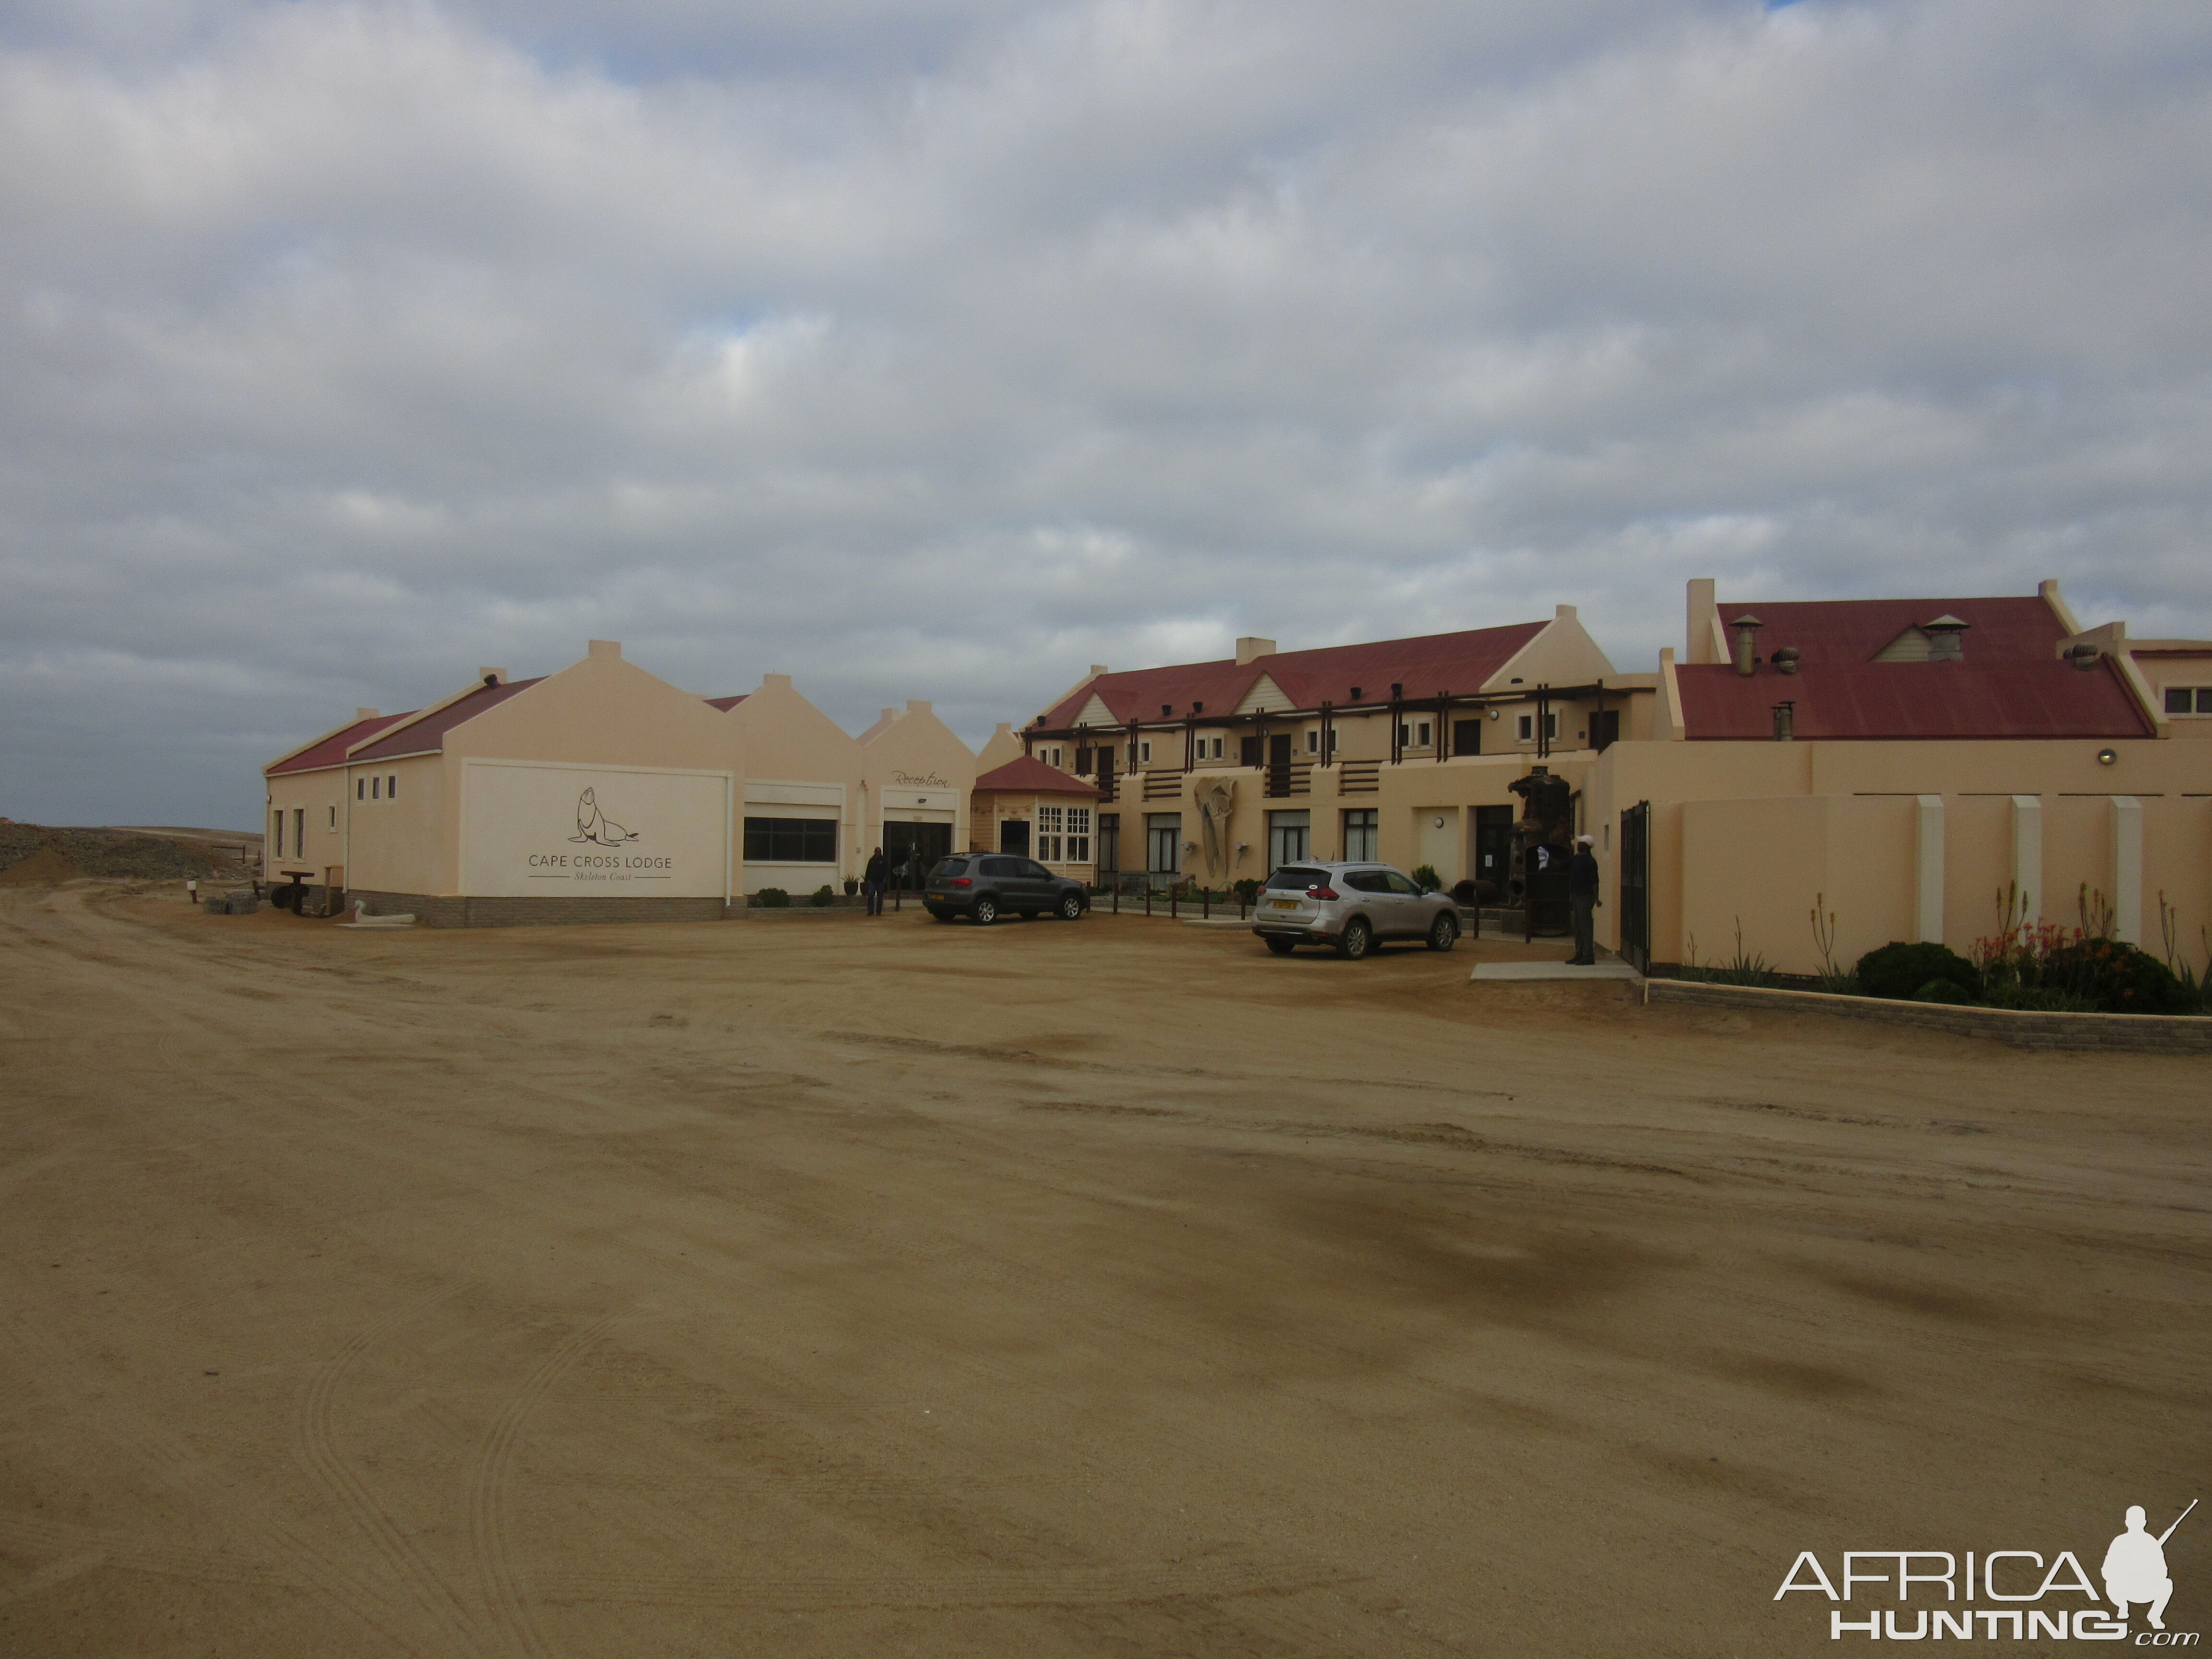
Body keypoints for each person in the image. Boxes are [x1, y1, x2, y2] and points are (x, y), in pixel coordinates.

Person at [2104, 1505, 2177, 1630]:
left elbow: (2163, 1572)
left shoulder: (2151, 1542)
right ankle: (2122, 1606)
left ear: (2127, 1523)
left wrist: (2145, 1571)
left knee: (2167, 1584)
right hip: (2124, 1590)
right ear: (2144, 1522)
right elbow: (2106, 1571)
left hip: (2145, 1590)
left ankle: (2154, 1616)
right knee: (2111, 1583)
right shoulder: (2120, 1541)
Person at [1566, 834, 1600, 964]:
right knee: (1578, 926)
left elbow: (1595, 882)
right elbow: (1562, 865)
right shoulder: (1576, 859)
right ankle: (1580, 953)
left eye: (1581, 843)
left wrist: (1596, 898)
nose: (1578, 845)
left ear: (1586, 846)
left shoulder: (1590, 862)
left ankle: (1588, 955)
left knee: (1585, 927)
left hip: (1586, 896)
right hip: (1577, 896)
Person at [864, 846, 889, 916]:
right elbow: (868, 870)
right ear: (875, 852)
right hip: (872, 881)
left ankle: (879, 911)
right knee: (871, 895)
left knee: (880, 897)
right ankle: (870, 911)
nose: (878, 853)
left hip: (880, 882)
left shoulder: (884, 860)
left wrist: (885, 879)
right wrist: (866, 879)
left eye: (879, 852)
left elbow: (887, 870)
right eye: (877, 852)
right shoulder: (872, 860)